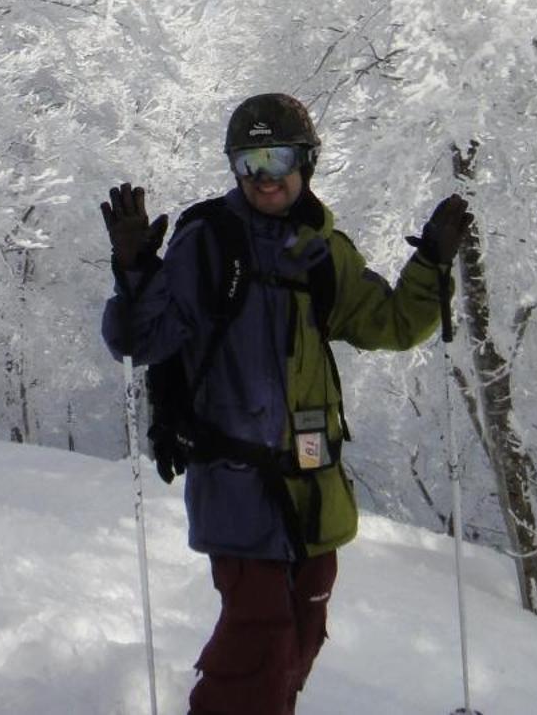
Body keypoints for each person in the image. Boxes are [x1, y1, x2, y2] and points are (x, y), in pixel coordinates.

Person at [99, 92, 473, 715]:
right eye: (248, 163)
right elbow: (138, 341)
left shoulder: (323, 251)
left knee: (299, 636)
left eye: (275, 159)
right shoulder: (208, 241)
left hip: (314, 489)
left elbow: (392, 324)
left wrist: (430, 264)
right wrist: (135, 268)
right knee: (260, 640)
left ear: (307, 161)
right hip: (236, 486)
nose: (263, 178)